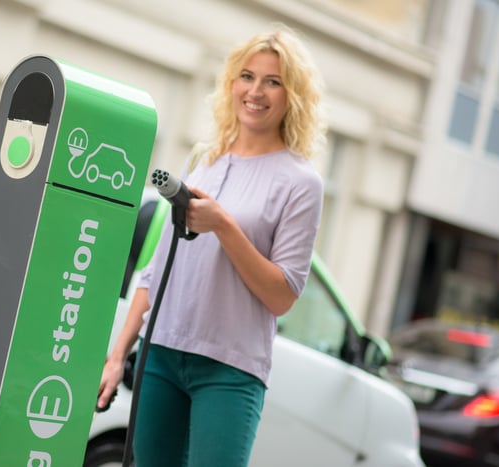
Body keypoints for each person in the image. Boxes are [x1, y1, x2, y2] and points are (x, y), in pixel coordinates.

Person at [97, 23, 326, 466]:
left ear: (292, 96)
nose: (255, 91)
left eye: (273, 81)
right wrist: (118, 353)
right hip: (160, 353)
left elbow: (282, 296)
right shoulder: (204, 159)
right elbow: (157, 268)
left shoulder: (301, 182)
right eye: (247, 76)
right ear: (231, 83)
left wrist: (223, 224)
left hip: (229, 368)